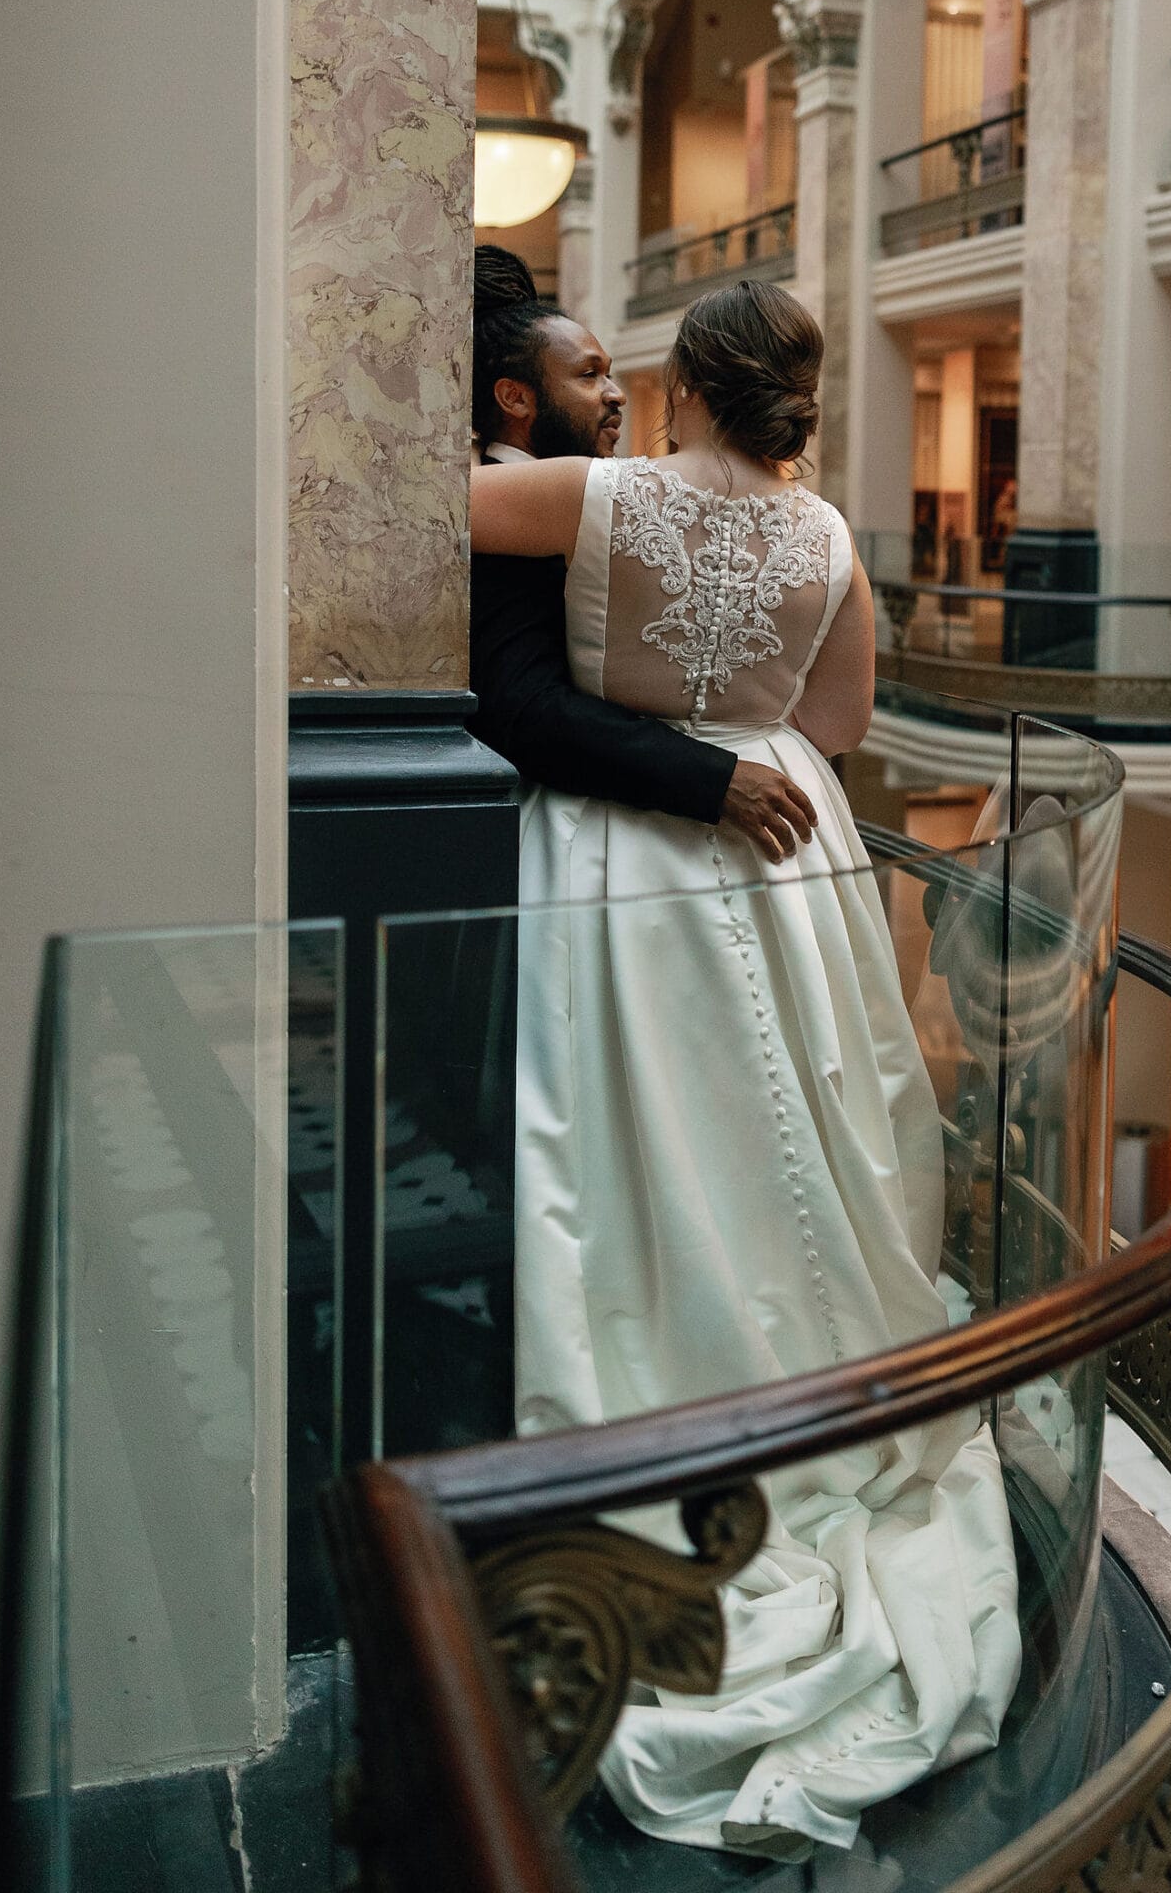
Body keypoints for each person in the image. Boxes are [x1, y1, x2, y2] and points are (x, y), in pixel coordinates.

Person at [471, 279, 1019, 1860]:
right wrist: (749, 717)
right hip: (789, 853)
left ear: (686, 385)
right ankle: (821, 1392)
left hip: (623, 857)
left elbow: (406, 506)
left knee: (651, 1135)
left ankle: (655, 1390)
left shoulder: (600, 493)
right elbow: (835, 720)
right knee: (818, 1123)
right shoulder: (829, 535)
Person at [469, 246, 818, 862]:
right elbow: (524, 709)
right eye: (588, 375)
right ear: (515, 398)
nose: (616, 394)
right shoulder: (506, 518)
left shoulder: (591, 504)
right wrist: (717, 776)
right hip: (563, 843)